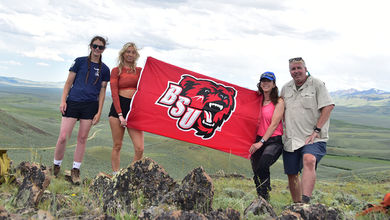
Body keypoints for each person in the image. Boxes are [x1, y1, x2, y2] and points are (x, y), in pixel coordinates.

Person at [53, 36, 110, 185]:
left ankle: (75, 170)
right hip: (73, 102)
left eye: (100, 47)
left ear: (104, 49)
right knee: (63, 136)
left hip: (90, 105)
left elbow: (103, 92)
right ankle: (55, 167)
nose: (97, 49)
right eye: (95, 46)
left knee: (82, 138)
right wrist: (63, 100)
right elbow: (68, 82)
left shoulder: (105, 69)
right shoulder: (79, 62)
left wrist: (99, 111)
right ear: (90, 46)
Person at [281, 57, 334, 203]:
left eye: (299, 68)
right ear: (290, 71)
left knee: (309, 159)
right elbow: (280, 109)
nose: (296, 71)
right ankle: (297, 206)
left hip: (313, 137)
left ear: (305, 69)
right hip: (292, 138)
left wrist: (317, 130)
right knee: (292, 174)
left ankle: (305, 201)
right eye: (293, 69)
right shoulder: (286, 88)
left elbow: (328, 106)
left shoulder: (317, 84)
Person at [109, 42, 144, 175]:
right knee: (117, 145)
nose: (130, 54)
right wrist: (120, 115)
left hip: (134, 109)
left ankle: (130, 175)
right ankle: (116, 175)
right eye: (128, 51)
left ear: (136, 55)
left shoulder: (140, 71)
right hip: (118, 109)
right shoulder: (116, 71)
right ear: (123, 53)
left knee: (139, 148)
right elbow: (114, 92)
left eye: (133, 52)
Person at [249, 71, 284, 201]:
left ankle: (265, 194)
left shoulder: (279, 102)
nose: (265, 83)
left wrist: (261, 142)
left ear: (274, 84)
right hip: (258, 139)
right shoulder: (257, 100)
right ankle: (262, 199)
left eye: (269, 81)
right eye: (263, 81)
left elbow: (274, 124)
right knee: (256, 171)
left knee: (263, 165)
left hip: (273, 141)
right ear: (260, 84)